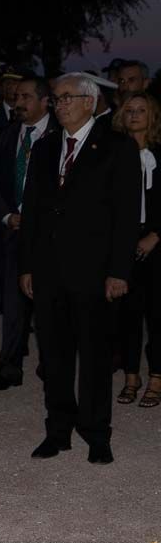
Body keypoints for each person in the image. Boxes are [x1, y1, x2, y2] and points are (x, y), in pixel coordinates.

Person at [19, 72, 139, 465]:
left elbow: (125, 216)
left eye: (67, 97)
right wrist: (27, 266)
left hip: (95, 271)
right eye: (56, 98)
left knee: (95, 356)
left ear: (90, 102)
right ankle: (58, 430)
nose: (59, 104)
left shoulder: (117, 148)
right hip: (50, 271)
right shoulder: (45, 146)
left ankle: (96, 432)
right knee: (53, 355)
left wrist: (119, 271)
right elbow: (33, 212)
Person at [0, 74, 56, 390]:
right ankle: (9, 368)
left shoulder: (61, 135)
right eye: (16, 96)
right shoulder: (6, 134)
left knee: (50, 304)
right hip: (13, 231)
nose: (18, 102)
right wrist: (6, 216)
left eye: (26, 96)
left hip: (49, 235)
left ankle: (52, 365)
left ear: (45, 101)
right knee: (13, 303)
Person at [110, 93, 161, 409]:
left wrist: (155, 236)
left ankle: (157, 376)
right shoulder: (112, 155)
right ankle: (132, 376)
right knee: (126, 314)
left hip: (158, 243)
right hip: (123, 243)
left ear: (153, 116)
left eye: (142, 110)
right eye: (129, 110)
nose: (135, 115)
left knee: (158, 314)